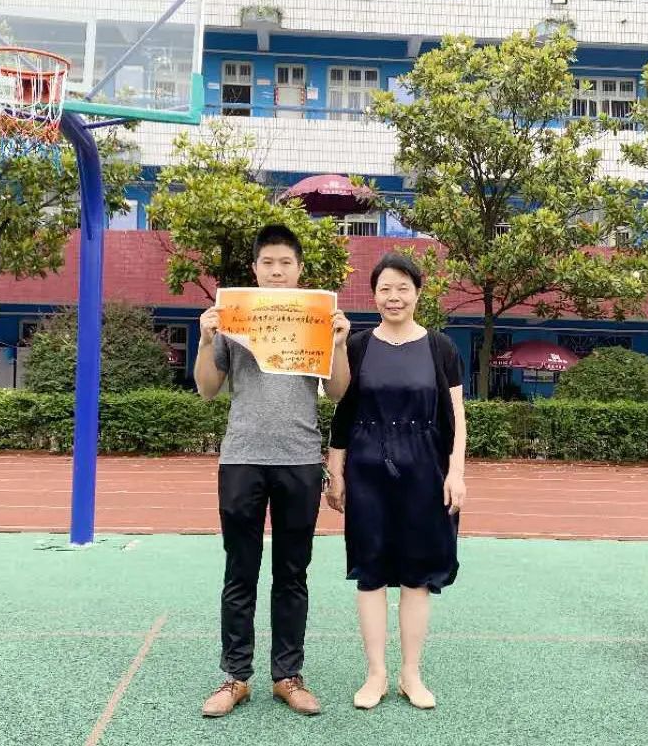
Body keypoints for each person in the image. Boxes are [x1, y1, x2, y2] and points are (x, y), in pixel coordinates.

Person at [194, 224, 351, 718]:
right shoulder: (233, 318)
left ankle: (288, 675)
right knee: (239, 571)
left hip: (300, 459)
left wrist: (340, 344)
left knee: (292, 573)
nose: (277, 271)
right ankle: (234, 677)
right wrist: (205, 340)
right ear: (255, 269)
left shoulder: (316, 318)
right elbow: (207, 389)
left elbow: (339, 392)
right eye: (268, 263)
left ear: (299, 269)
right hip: (242, 457)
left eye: (285, 263)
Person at [326, 252, 466, 711]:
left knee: (416, 576)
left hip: (425, 469)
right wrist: (336, 470)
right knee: (370, 574)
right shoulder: (358, 346)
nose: (394, 297)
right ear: (374, 295)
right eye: (385, 288)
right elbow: (343, 413)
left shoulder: (441, 348)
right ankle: (376, 674)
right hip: (367, 468)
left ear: (418, 293)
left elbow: (456, 418)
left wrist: (457, 471)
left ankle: (410, 673)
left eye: (403, 288)